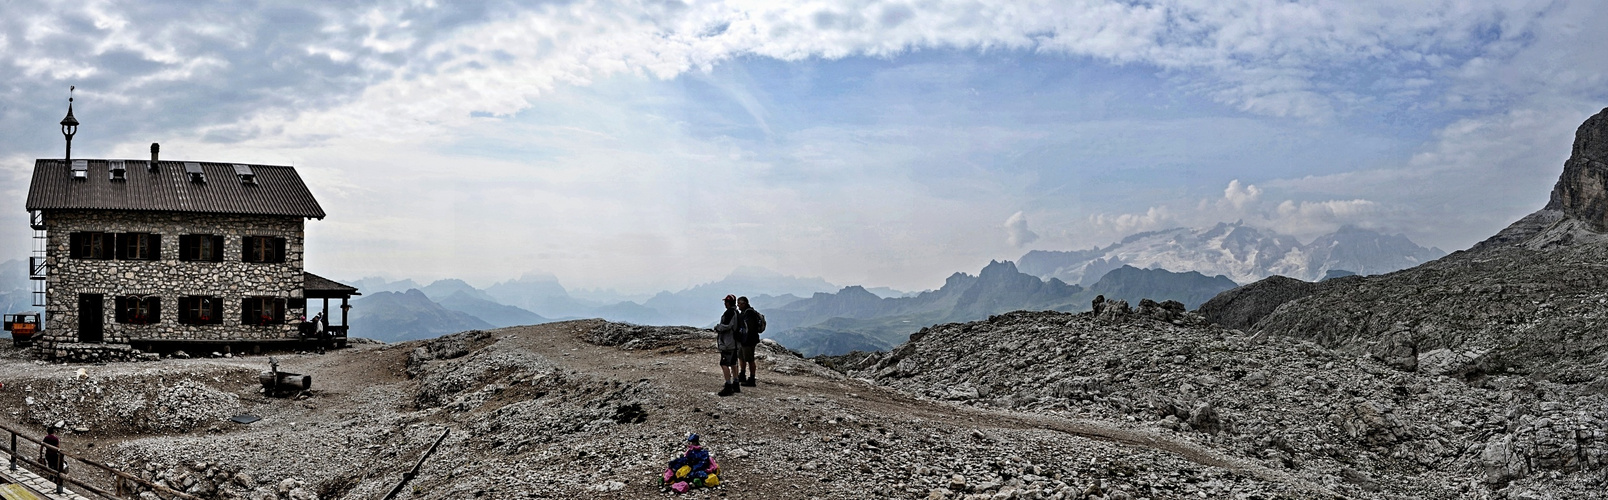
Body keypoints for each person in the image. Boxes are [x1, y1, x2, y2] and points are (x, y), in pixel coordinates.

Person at [713, 295, 741, 396]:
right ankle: (736, 383)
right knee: (733, 363)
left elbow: (727, 326)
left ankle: (728, 386)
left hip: (728, 343)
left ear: (728, 303)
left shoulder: (729, 313)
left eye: (726, 302)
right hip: (735, 343)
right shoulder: (736, 312)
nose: (725, 303)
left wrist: (717, 327)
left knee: (724, 364)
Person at [734, 296, 763, 387]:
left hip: (748, 341)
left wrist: (743, 338)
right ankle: (742, 375)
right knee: (741, 357)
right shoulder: (746, 312)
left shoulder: (749, 313)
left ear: (744, 303)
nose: (738, 305)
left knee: (750, 360)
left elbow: (749, 329)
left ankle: (752, 379)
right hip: (745, 340)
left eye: (739, 303)